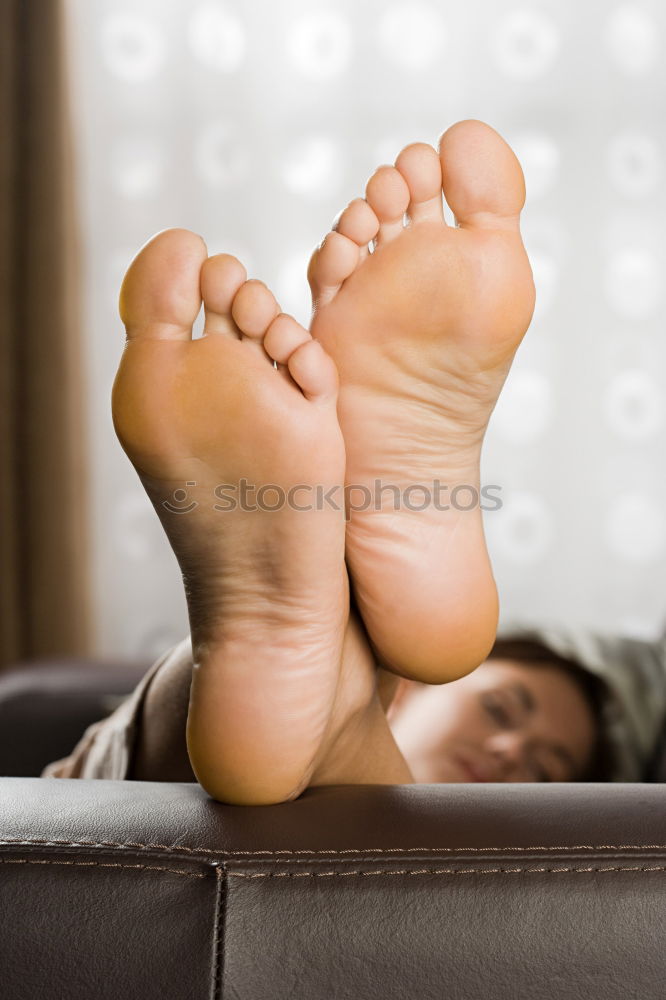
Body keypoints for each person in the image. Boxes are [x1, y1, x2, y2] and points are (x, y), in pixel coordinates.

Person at [42, 119, 663, 800]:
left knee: (301, 706)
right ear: (419, 691)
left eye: (547, 772)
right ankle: (338, 672)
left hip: (424, 861)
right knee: (299, 667)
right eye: (499, 708)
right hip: (129, 799)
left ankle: (330, 695)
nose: (510, 751)